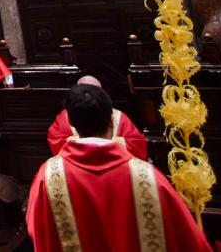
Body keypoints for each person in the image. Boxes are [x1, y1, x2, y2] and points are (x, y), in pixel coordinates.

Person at [26, 84, 211, 252]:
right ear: (111, 122)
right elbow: (188, 239)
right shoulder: (148, 177)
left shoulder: (48, 177)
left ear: (72, 124)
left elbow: (36, 229)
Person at [47, 76, 147, 159]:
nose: (89, 97)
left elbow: (137, 144)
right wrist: (107, 143)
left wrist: (85, 143)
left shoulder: (119, 117)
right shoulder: (65, 116)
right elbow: (55, 140)